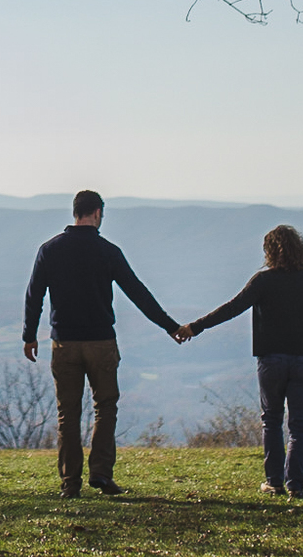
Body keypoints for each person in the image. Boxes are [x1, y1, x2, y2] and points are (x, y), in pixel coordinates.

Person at [22, 189, 190, 498]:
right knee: (105, 407)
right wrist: (170, 327)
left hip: (65, 343)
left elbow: (34, 295)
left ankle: (69, 483)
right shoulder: (108, 251)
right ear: (97, 212)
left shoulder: (50, 250)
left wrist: (29, 335)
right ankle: (100, 473)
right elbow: (138, 293)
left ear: (75, 212)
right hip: (101, 341)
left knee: (67, 414)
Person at [179, 223, 303, 500]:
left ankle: (274, 481)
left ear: (270, 252)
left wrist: (195, 327)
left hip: (271, 359)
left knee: (272, 419)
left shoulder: (263, 281)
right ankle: (295, 485)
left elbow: (232, 308)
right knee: (300, 424)